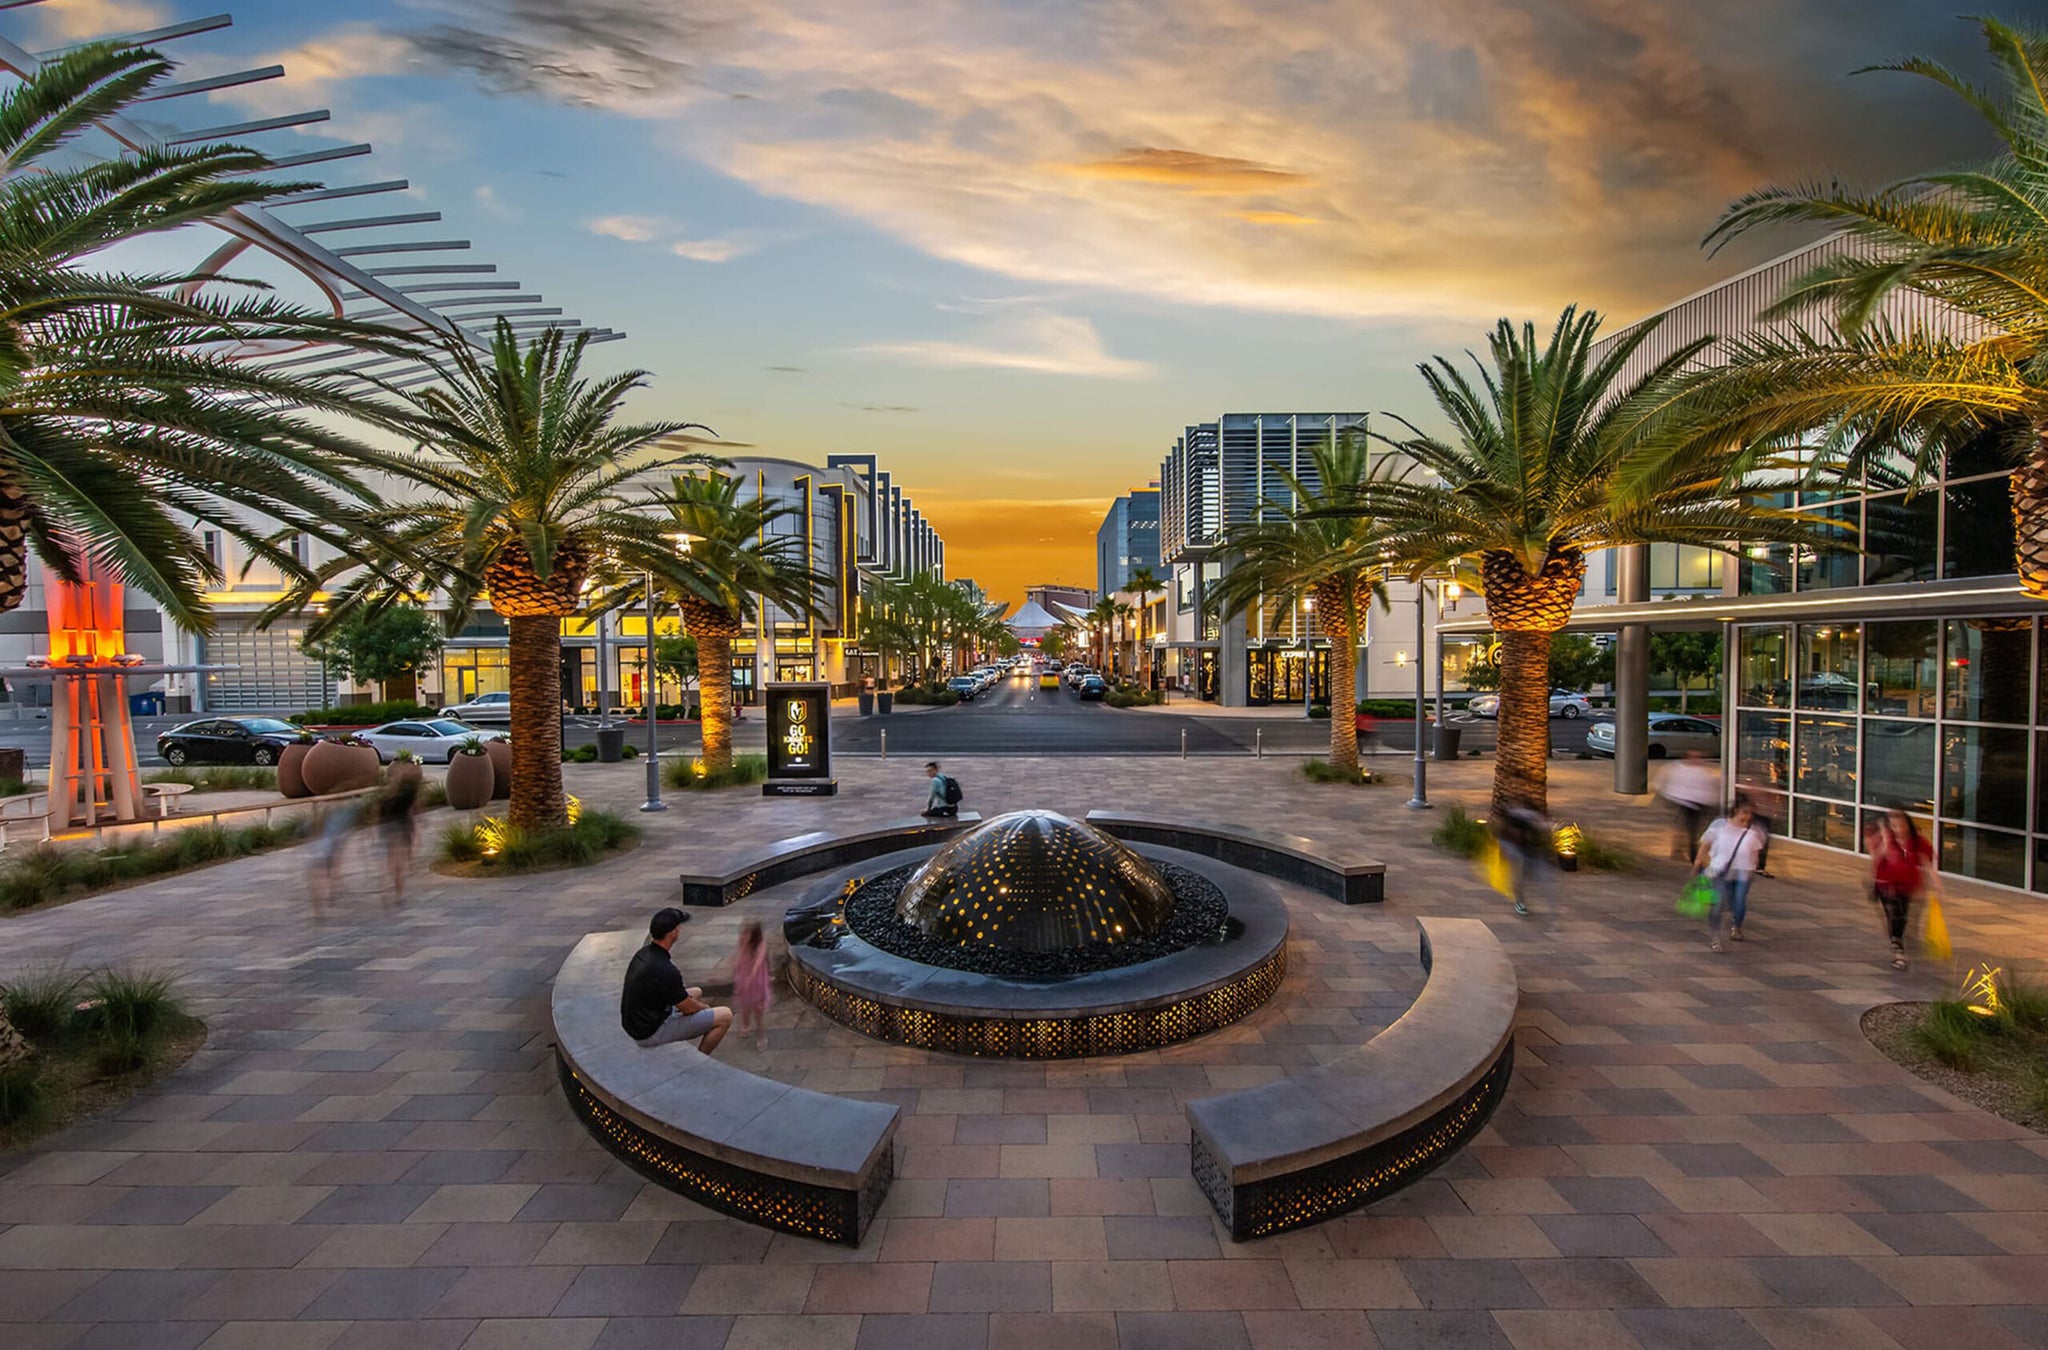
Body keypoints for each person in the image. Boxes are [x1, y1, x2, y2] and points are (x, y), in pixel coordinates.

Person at [621, 908, 732, 1054]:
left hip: (640, 1019)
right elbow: (689, 1008)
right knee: (725, 1015)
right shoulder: (666, 969)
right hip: (649, 1032)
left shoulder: (644, 954)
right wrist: (704, 1008)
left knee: (696, 991)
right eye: (679, 926)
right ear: (673, 933)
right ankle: (701, 1059)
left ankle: (684, 1031)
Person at [1695, 797, 1766, 953]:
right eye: (1744, 812)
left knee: (1739, 901)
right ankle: (1715, 937)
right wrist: (1699, 862)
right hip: (1720, 870)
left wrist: (1755, 867)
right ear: (1736, 811)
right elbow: (1705, 845)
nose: (1747, 817)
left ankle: (1737, 925)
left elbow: (1756, 852)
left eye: (1750, 813)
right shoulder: (1719, 825)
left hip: (1744, 871)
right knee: (1718, 903)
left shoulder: (1754, 830)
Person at [1872, 808, 1935, 971]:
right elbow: (1877, 858)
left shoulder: (1917, 841)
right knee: (1894, 917)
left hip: (1906, 887)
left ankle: (1897, 942)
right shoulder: (1887, 840)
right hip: (1885, 886)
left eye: (1900, 826)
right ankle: (1899, 954)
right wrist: (1886, 841)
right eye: (1893, 826)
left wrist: (1937, 886)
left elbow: (1928, 864)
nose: (1897, 830)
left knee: (1902, 918)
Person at [1492, 802, 1552, 918]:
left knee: (1523, 870)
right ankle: (1519, 902)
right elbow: (1505, 832)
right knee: (1518, 872)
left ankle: (1519, 898)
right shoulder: (1522, 821)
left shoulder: (1533, 821)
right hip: (1510, 843)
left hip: (1520, 843)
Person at [1659, 752, 1719, 862]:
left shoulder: (1701, 772)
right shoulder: (1680, 770)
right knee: (1690, 830)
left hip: (1695, 804)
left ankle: (1684, 852)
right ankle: (1690, 853)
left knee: (1689, 829)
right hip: (1685, 803)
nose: (1698, 760)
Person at [377, 770, 422, 905]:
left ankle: (391, 890)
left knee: (393, 864)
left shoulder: (386, 800)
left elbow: (380, 818)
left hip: (391, 832)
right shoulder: (403, 798)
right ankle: (397, 893)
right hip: (398, 832)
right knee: (397, 866)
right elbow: (412, 807)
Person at [732, 919, 773, 1051]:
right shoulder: (743, 942)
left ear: (754, 936)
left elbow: (757, 964)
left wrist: (750, 978)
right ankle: (746, 1024)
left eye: (746, 934)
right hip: (743, 978)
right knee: (744, 1006)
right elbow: (737, 956)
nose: (743, 936)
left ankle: (761, 1035)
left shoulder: (761, 946)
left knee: (758, 1011)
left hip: (757, 982)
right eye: (742, 933)